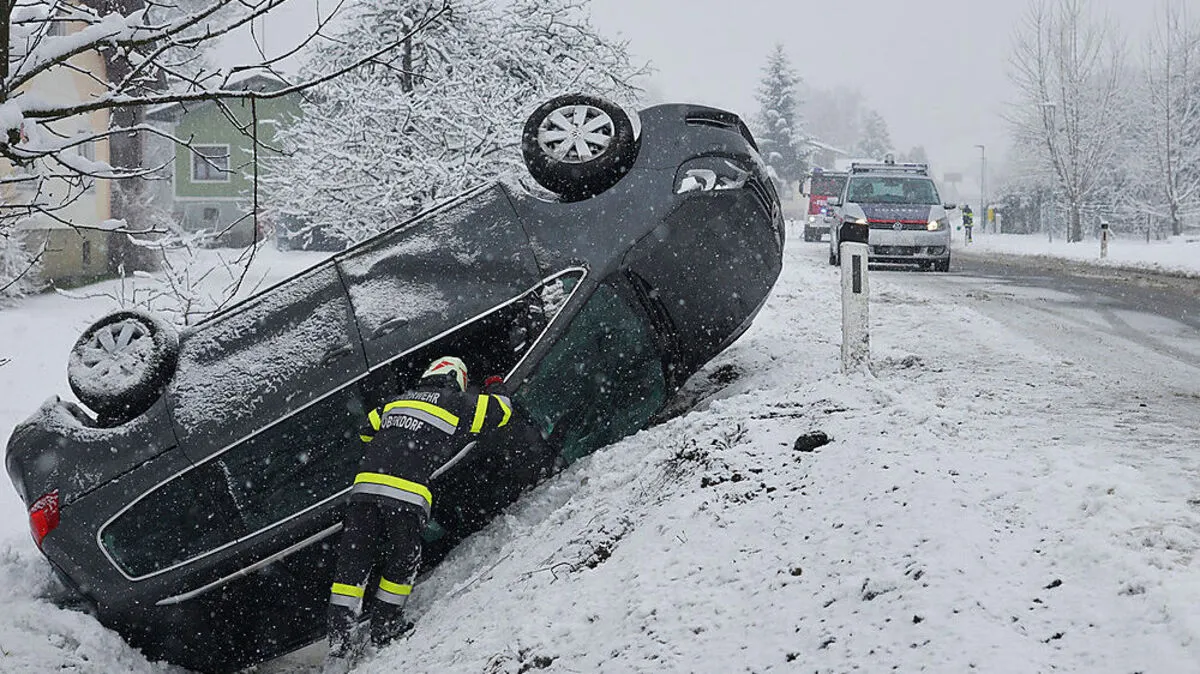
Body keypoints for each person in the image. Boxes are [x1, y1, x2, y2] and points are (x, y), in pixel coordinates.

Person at [322, 356, 515, 672]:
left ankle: (339, 645)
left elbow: (367, 431)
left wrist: (395, 442)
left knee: (353, 564)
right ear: (456, 379)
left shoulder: (396, 401)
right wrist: (495, 384)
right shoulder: (456, 402)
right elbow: (501, 411)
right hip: (405, 493)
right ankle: (385, 626)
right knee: (404, 558)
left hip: (364, 491)